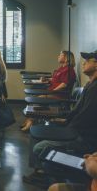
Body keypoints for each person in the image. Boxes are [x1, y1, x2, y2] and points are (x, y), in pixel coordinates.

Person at [23, 50, 97, 187]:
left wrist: (65, 126)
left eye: (89, 60)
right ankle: (39, 172)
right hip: (73, 128)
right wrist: (64, 120)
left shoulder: (95, 88)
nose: (84, 63)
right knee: (35, 131)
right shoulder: (90, 85)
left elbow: (85, 118)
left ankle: (46, 174)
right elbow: (76, 112)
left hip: (82, 137)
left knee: (39, 147)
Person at [21, 50, 76, 132]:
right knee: (34, 100)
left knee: (36, 101)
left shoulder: (69, 70)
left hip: (58, 95)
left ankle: (30, 123)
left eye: (60, 55)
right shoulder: (62, 68)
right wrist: (47, 79)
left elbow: (64, 84)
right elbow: (55, 79)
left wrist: (53, 91)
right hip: (52, 92)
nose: (58, 56)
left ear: (66, 58)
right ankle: (29, 121)